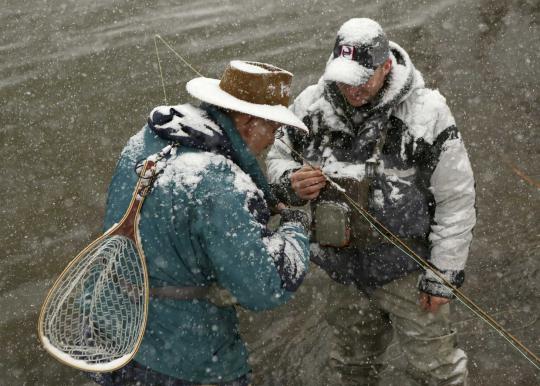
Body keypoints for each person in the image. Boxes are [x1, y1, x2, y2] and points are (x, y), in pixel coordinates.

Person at [267, 18, 476, 385]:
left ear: (386, 66)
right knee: (352, 366)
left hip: (409, 270)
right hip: (342, 272)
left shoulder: (427, 114)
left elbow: (456, 200)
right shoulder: (308, 106)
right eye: (345, 77)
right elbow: (277, 156)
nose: (353, 88)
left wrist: (442, 276)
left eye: (363, 77)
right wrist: (289, 182)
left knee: (438, 371)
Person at [91, 60, 311, 385]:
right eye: (273, 129)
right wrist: (295, 228)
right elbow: (264, 289)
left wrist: (262, 200)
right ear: (249, 122)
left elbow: (176, 221)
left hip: (113, 332)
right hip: (181, 358)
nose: (273, 140)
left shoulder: (146, 141)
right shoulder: (218, 180)